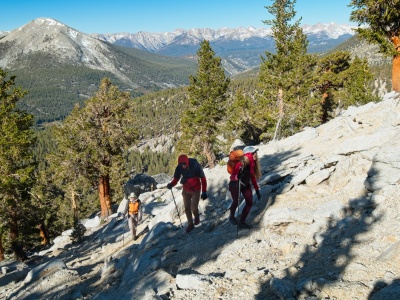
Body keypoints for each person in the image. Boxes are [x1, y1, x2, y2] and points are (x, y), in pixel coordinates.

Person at [167, 154, 208, 233]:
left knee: (193, 208)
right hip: (186, 190)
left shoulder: (195, 165)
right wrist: (171, 184)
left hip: (196, 189)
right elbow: (176, 178)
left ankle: (196, 216)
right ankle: (190, 224)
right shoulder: (179, 167)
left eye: (184, 164)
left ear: (187, 162)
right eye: (181, 164)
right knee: (187, 208)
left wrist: (204, 191)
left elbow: (203, 178)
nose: (183, 166)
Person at [228, 145, 261, 229]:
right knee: (236, 201)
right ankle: (231, 217)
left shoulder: (252, 164)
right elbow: (232, 176)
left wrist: (257, 190)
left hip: (245, 185)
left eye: (256, 153)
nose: (256, 155)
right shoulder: (240, 163)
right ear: (249, 154)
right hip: (235, 184)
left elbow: (252, 177)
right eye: (254, 153)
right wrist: (237, 176)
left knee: (249, 202)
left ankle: (241, 222)